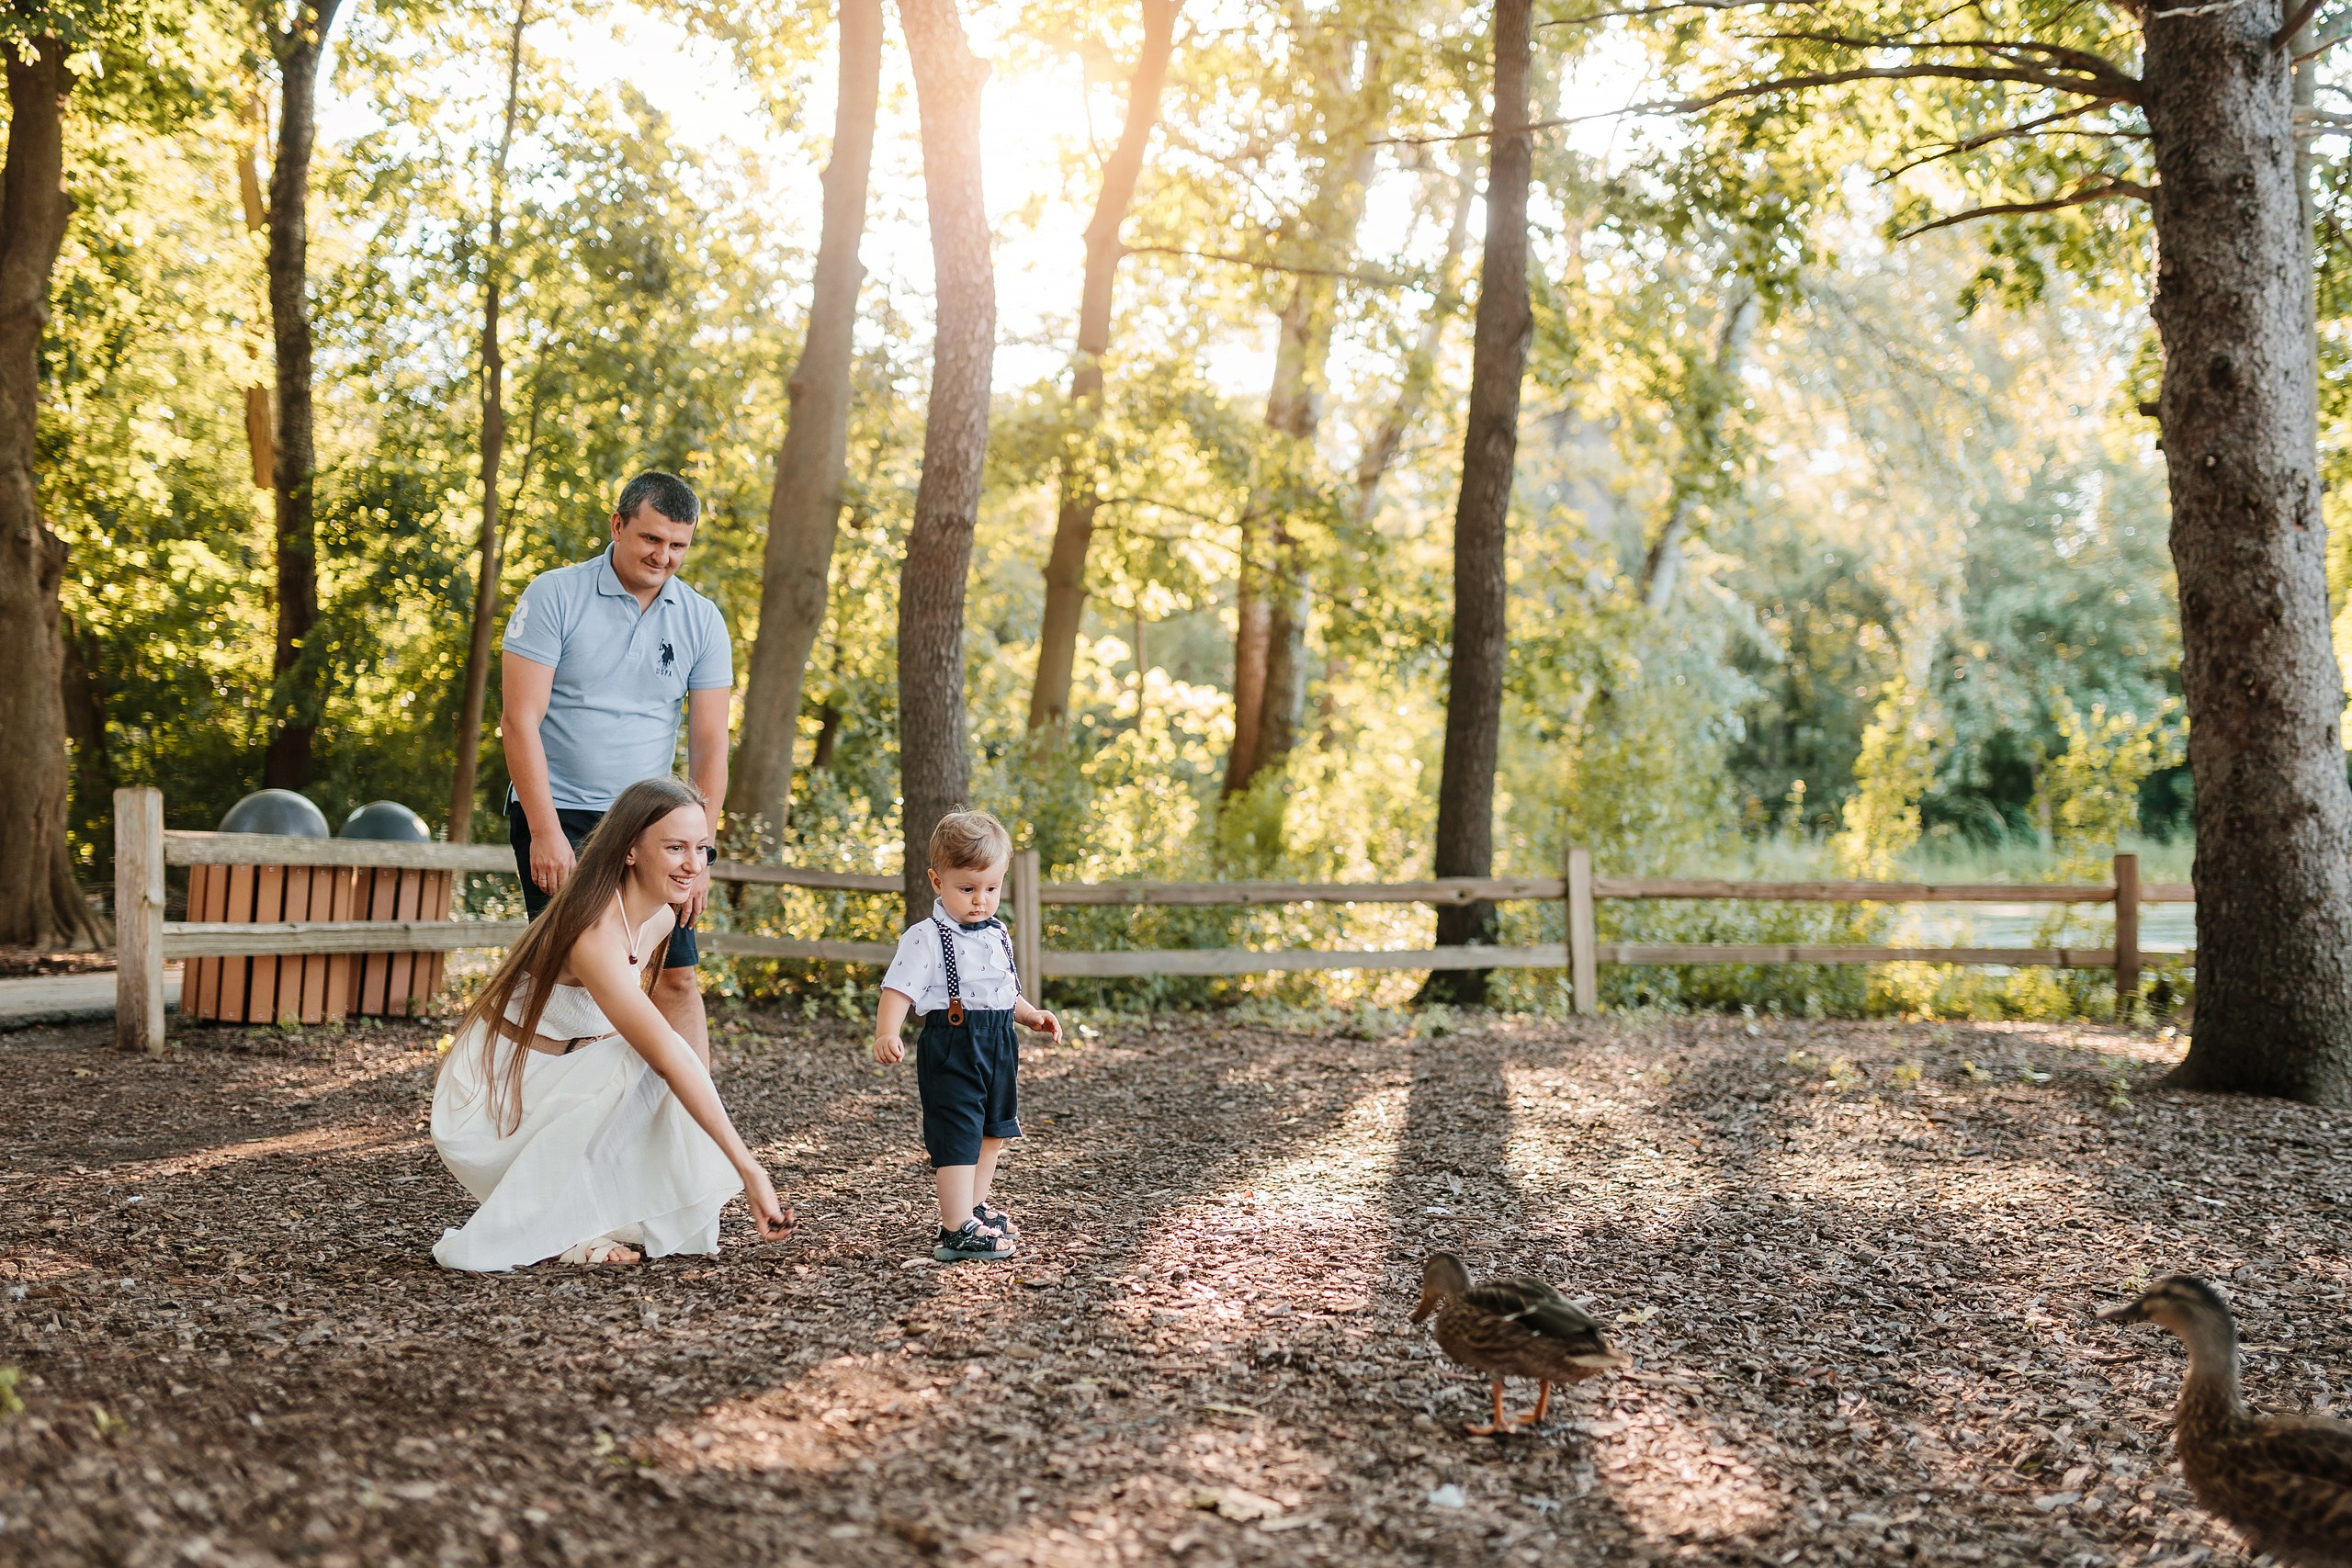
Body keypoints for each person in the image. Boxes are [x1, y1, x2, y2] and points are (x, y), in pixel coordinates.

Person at [431, 777, 791, 1269]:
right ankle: (569, 1231)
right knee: (650, 1060)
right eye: (675, 847)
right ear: (629, 852)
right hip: (496, 1090)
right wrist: (750, 1169)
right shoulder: (595, 933)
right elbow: (668, 1058)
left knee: (659, 1065)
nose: (693, 863)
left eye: (702, 848)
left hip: (566, 1063)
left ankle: (603, 1213)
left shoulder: (661, 917)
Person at [501, 469, 730, 1060]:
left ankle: (689, 1138)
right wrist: (546, 832)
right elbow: (519, 722)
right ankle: (533, 1126)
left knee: (673, 975)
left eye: (679, 544)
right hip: (561, 812)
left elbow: (709, 744)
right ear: (618, 525)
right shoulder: (553, 595)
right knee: (569, 981)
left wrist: (699, 852)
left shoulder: (703, 620)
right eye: (652, 539)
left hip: (652, 825)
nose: (665, 556)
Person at [872, 811, 1062, 1262]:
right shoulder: (927, 937)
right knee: (958, 1132)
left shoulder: (997, 933)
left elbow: (1000, 991)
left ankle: (972, 1208)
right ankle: (955, 1226)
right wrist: (886, 1031)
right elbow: (898, 988)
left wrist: (1030, 1015)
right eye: (968, 888)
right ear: (937, 881)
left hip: (998, 1042)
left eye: (991, 889)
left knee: (992, 1130)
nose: (981, 900)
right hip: (953, 1045)